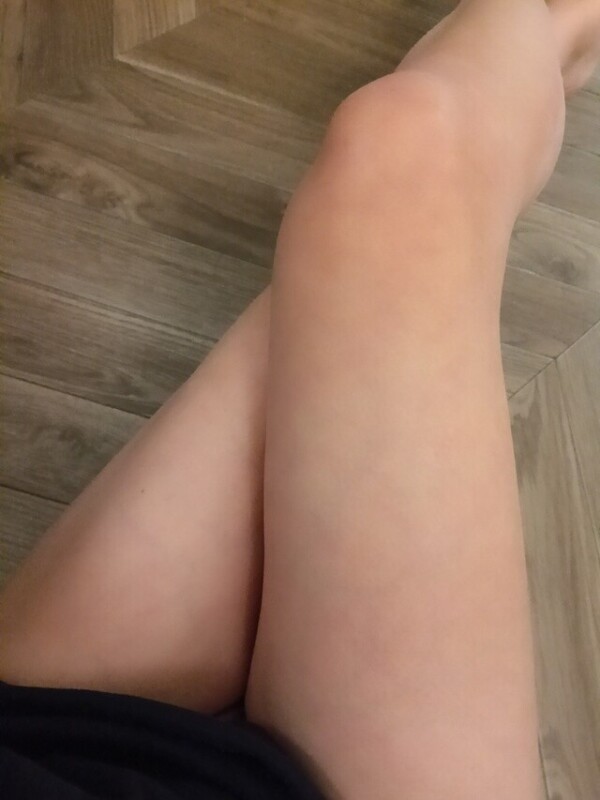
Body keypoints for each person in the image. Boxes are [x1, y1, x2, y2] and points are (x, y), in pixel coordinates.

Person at [1, 1, 599, 798]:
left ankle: (552, 47)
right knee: (410, 164)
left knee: (395, 159)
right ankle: (552, 46)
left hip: (57, 740)